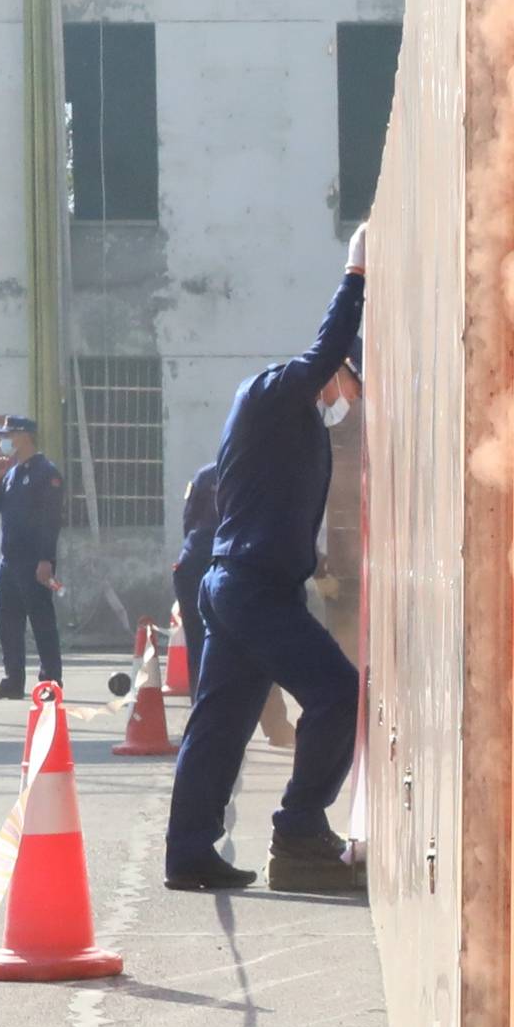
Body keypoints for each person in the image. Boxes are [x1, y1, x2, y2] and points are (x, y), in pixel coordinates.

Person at [165, 239, 370, 896]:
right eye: (351, 386)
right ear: (338, 372)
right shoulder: (276, 390)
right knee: (339, 693)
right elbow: (327, 343)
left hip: (245, 586)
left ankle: (189, 854)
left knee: (219, 727)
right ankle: (300, 829)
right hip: (251, 588)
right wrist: (356, 276)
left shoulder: (295, 426)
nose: (349, 403)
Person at [0, 417, 65, 699]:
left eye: (10, 434)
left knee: (41, 621)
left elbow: (50, 520)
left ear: (25, 436)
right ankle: (12, 679)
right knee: (9, 622)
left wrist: (46, 560)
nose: (5, 440)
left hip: (33, 560)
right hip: (9, 560)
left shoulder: (46, 472)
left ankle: (50, 682)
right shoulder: (13, 472)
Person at [169, 455, 222, 683]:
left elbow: (189, 519)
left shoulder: (205, 474)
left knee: (197, 639)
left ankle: (200, 705)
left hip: (193, 561)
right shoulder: (253, 474)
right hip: (226, 563)